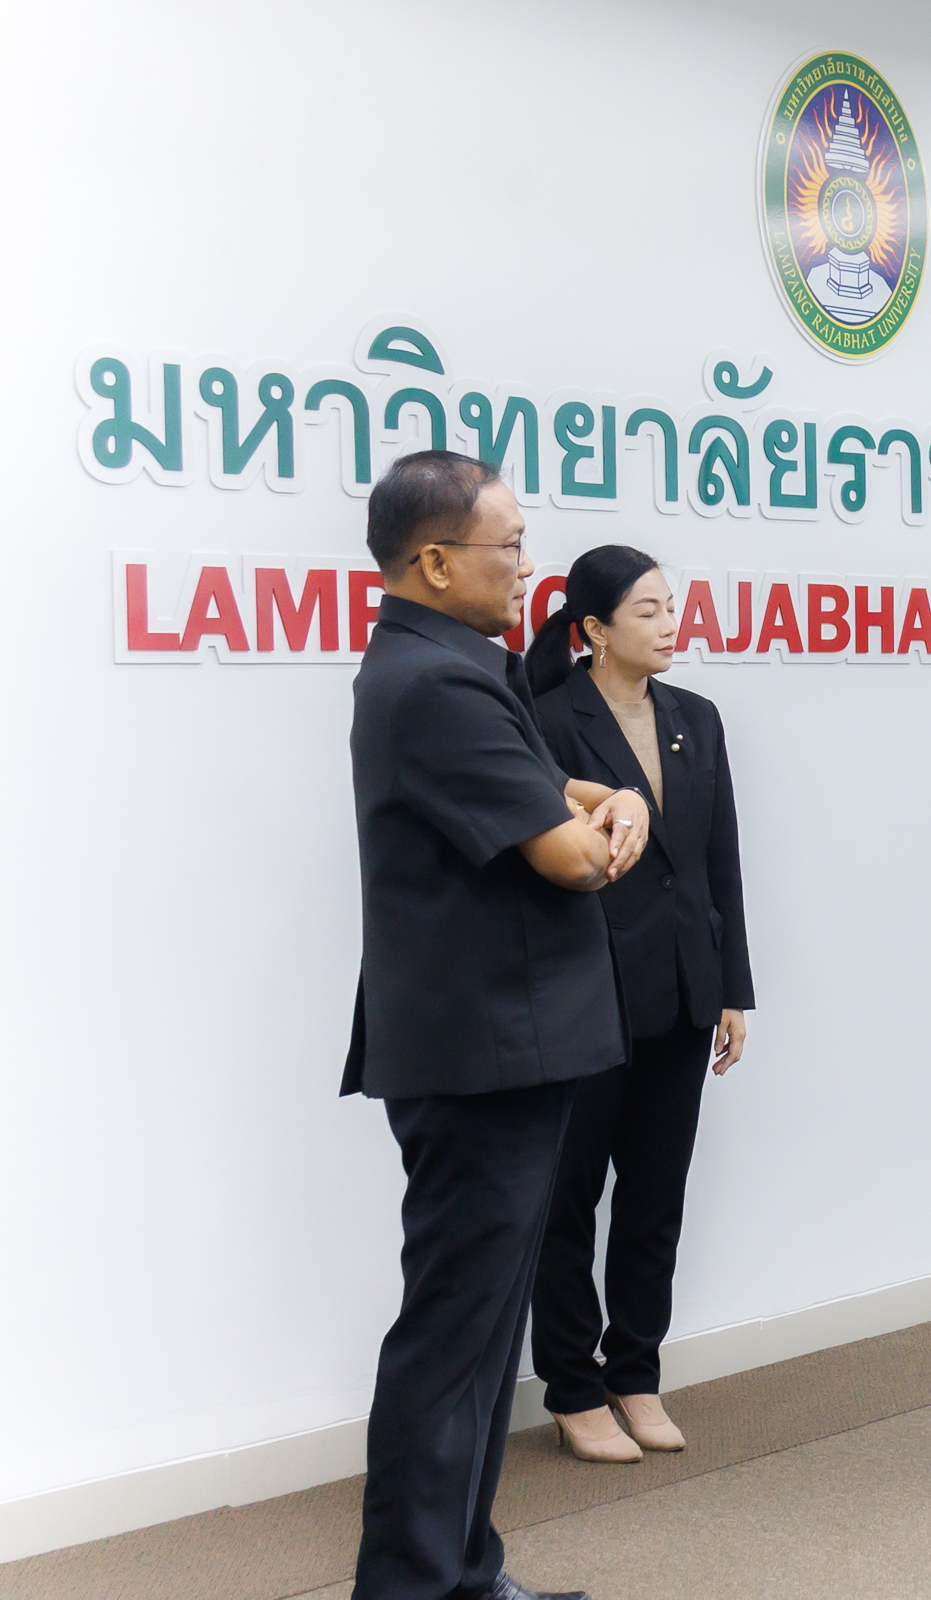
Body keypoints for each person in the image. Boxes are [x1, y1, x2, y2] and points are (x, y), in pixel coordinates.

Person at [346, 451, 652, 1600]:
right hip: (483, 1058)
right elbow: (571, 855)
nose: (530, 566)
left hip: (503, 1051)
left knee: (480, 1342)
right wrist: (607, 821)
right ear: (435, 561)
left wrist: (607, 798)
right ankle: (413, 1586)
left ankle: (463, 1573)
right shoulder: (437, 683)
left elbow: (562, 796)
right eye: (510, 545)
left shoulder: (455, 667)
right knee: (452, 1341)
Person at [525, 545, 755, 1464]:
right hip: (583, 995)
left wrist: (731, 987)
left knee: (656, 1195)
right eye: (648, 611)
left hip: (684, 989)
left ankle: (636, 1373)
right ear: (594, 629)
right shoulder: (545, 719)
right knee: (569, 1200)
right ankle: (572, 1388)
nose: (670, 625)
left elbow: (718, 861)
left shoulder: (696, 717)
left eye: (672, 607)